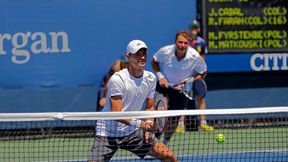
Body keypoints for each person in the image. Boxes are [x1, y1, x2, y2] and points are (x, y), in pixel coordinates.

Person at [89, 40, 178, 162]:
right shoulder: (118, 79)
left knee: (169, 157)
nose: (142, 57)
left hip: (131, 132)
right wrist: (142, 124)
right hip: (108, 132)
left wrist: (148, 126)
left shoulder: (150, 78)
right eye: (137, 54)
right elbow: (117, 114)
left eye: (144, 54)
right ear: (128, 57)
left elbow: (150, 106)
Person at [151, 30, 208, 145]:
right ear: (175, 42)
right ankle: (153, 142)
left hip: (182, 91)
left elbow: (203, 72)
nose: (182, 45)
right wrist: (161, 76)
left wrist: (190, 80)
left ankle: (165, 142)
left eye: (185, 43)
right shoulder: (165, 51)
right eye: (180, 42)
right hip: (164, 87)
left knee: (173, 121)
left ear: (189, 43)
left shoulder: (194, 56)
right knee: (160, 113)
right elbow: (154, 62)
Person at [188, 20, 214, 132]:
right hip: (186, 74)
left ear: (198, 29)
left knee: (201, 97)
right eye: (192, 28)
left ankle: (203, 123)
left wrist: (201, 73)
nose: (193, 30)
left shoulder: (202, 42)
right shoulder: (185, 42)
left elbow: (203, 58)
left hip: (198, 74)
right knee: (183, 98)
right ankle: (180, 124)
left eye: (195, 28)